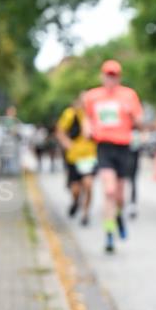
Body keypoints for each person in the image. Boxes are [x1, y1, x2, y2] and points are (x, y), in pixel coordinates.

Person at [83, 60, 144, 253]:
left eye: (114, 75)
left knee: (119, 196)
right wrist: (87, 129)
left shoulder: (129, 95)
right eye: (108, 75)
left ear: (119, 77)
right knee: (108, 191)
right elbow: (87, 118)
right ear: (102, 76)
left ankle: (118, 216)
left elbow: (140, 120)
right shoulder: (92, 96)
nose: (111, 79)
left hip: (123, 147)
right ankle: (109, 235)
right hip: (104, 147)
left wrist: (132, 115)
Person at [56, 94, 97, 226]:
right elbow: (60, 131)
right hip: (74, 157)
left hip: (90, 157)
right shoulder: (70, 114)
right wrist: (67, 143)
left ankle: (85, 213)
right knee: (76, 189)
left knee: (89, 184)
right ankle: (76, 202)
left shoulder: (94, 116)